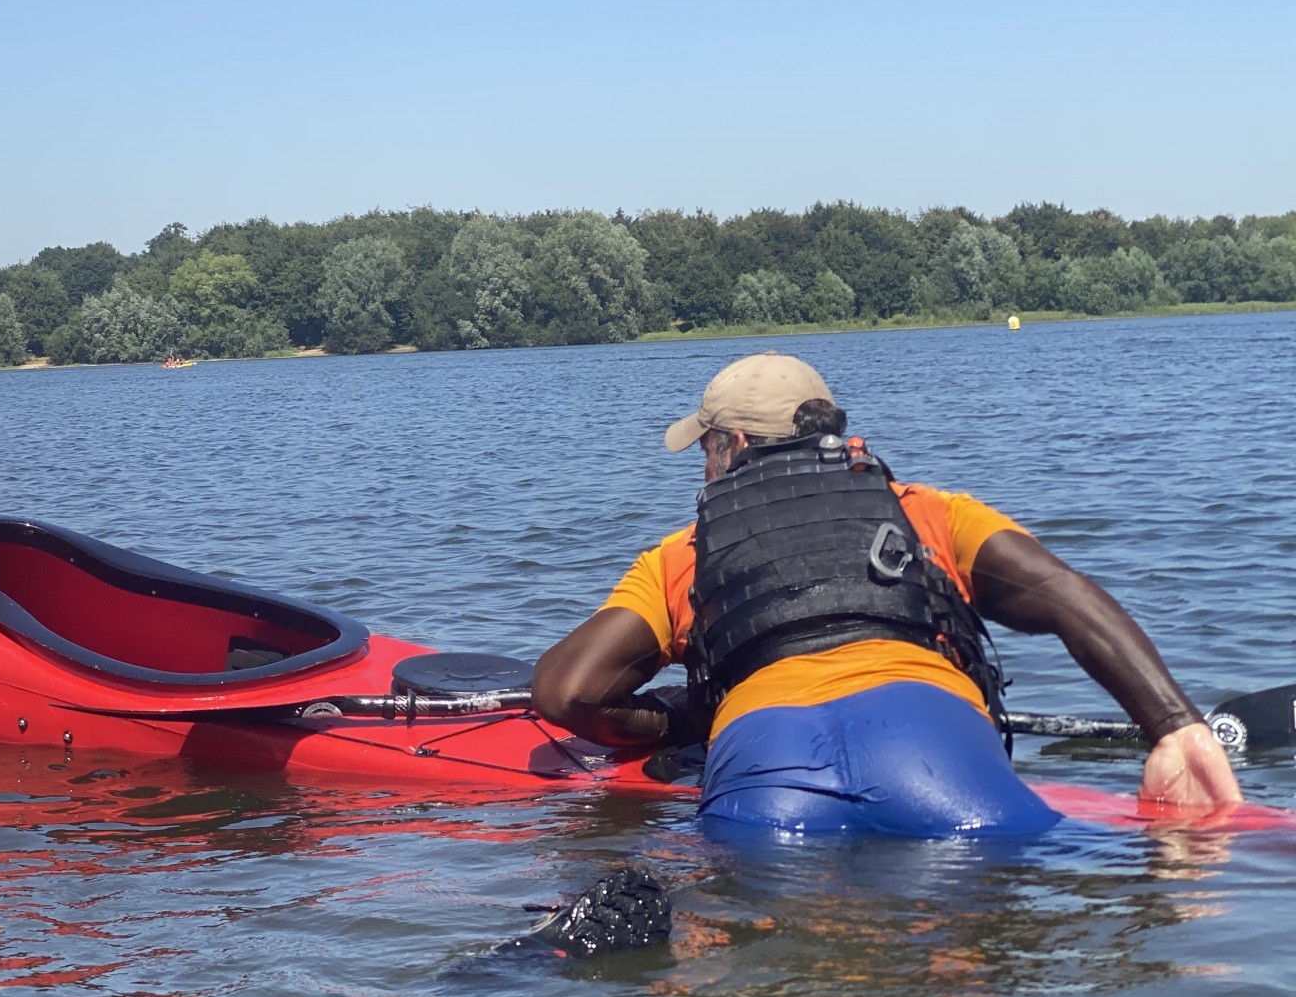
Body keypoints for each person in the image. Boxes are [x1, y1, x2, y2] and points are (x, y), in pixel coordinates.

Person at [532, 353, 1242, 835]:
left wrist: (682, 725)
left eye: (705, 446)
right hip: (933, 745)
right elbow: (1062, 594)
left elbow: (565, 692)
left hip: (767, 761)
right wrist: (1173, 726)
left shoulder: (679, 556)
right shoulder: (929, 513)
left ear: (733, 445)